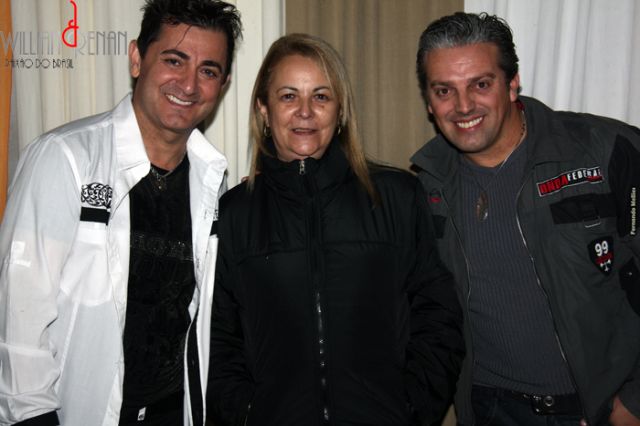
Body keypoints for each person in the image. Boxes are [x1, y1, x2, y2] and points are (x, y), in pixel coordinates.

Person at [0, 0, 242, 424]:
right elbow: (18, 314)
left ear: (222, 85)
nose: (188, 84)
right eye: (174, 60)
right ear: (136, 59)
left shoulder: (212, 180)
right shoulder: (65, 158)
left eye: (208, 71)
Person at [206, 33, 464, 426]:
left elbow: (438, 315)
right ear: (263, 109)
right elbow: (217, 339)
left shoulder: (396, 197)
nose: (305, 112)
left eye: (321, 96)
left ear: (340, 110)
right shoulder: (233, 214)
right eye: (288, 96)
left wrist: (411, 409)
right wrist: (247, 415)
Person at [411, 11, 640, 426]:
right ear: (429, 101)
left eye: (481, 84)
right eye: (444, 90)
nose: (463, 106)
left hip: (599, 411)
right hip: (488, 409)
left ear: (513, 82)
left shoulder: (607, 150)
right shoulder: (425, 186)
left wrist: (635, 403)